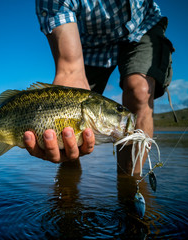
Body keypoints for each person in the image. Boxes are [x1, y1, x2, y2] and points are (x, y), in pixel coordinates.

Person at [23, 0, 174, 175]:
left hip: (143, 26)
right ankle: (68, 190)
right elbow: (70, 69)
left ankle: (131, 186)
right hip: (87, 43)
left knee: (140, 90)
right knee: (68, 122)